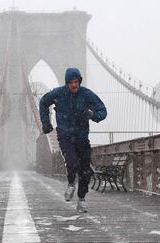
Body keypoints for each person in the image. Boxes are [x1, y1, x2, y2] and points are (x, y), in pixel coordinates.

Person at [39, 67, 107, 213]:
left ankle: (81, 199)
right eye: (71, 83)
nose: (74, 85)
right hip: (65, 137)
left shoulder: (86, 94)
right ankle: (71, 184)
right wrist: (46, 123)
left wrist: (93, 114)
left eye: (76, 82)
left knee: (86, 171)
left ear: (79, 81)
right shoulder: (59, 93)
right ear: (67, 83)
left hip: (82, 138)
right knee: (72, 163)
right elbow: (43, 102)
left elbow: (103, 110)